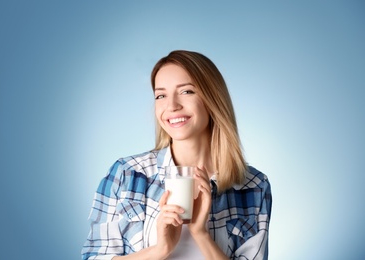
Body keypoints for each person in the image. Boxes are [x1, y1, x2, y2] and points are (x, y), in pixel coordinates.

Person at [81, 50, 272, 260]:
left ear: (212, 99)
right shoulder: (127, 174)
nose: (172, 106)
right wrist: (159, 250)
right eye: (161, 95)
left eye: (187, 91)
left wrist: (201, 234)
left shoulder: (253, 186)